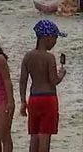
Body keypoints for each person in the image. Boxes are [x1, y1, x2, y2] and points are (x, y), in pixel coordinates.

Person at [19, 20, 67, 151]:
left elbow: (23, 80)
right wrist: (61, 74)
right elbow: (54, 80)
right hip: (48, 99)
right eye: (55, 38)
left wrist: (23, 101)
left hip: (34, 98)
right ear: (47, 38)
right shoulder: (49, 57)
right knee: (45, 135)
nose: (55, 42)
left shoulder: (28, 56)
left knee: (34, 135)